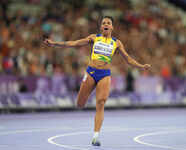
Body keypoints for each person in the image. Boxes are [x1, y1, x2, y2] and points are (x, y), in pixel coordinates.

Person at [44, 16, 151, 146]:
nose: (106, 24)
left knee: (100, 103)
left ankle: (96, 136)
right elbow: (75, 43)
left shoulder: (117, 43)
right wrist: (55, 43)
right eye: (104, 23)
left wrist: (141, 66)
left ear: (112, 27)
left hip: (104, 75)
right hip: (91, 72)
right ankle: (87, 106)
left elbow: (128, 59)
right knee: (79, 104)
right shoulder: (94, 38)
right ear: (101, 27)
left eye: (108, 23)